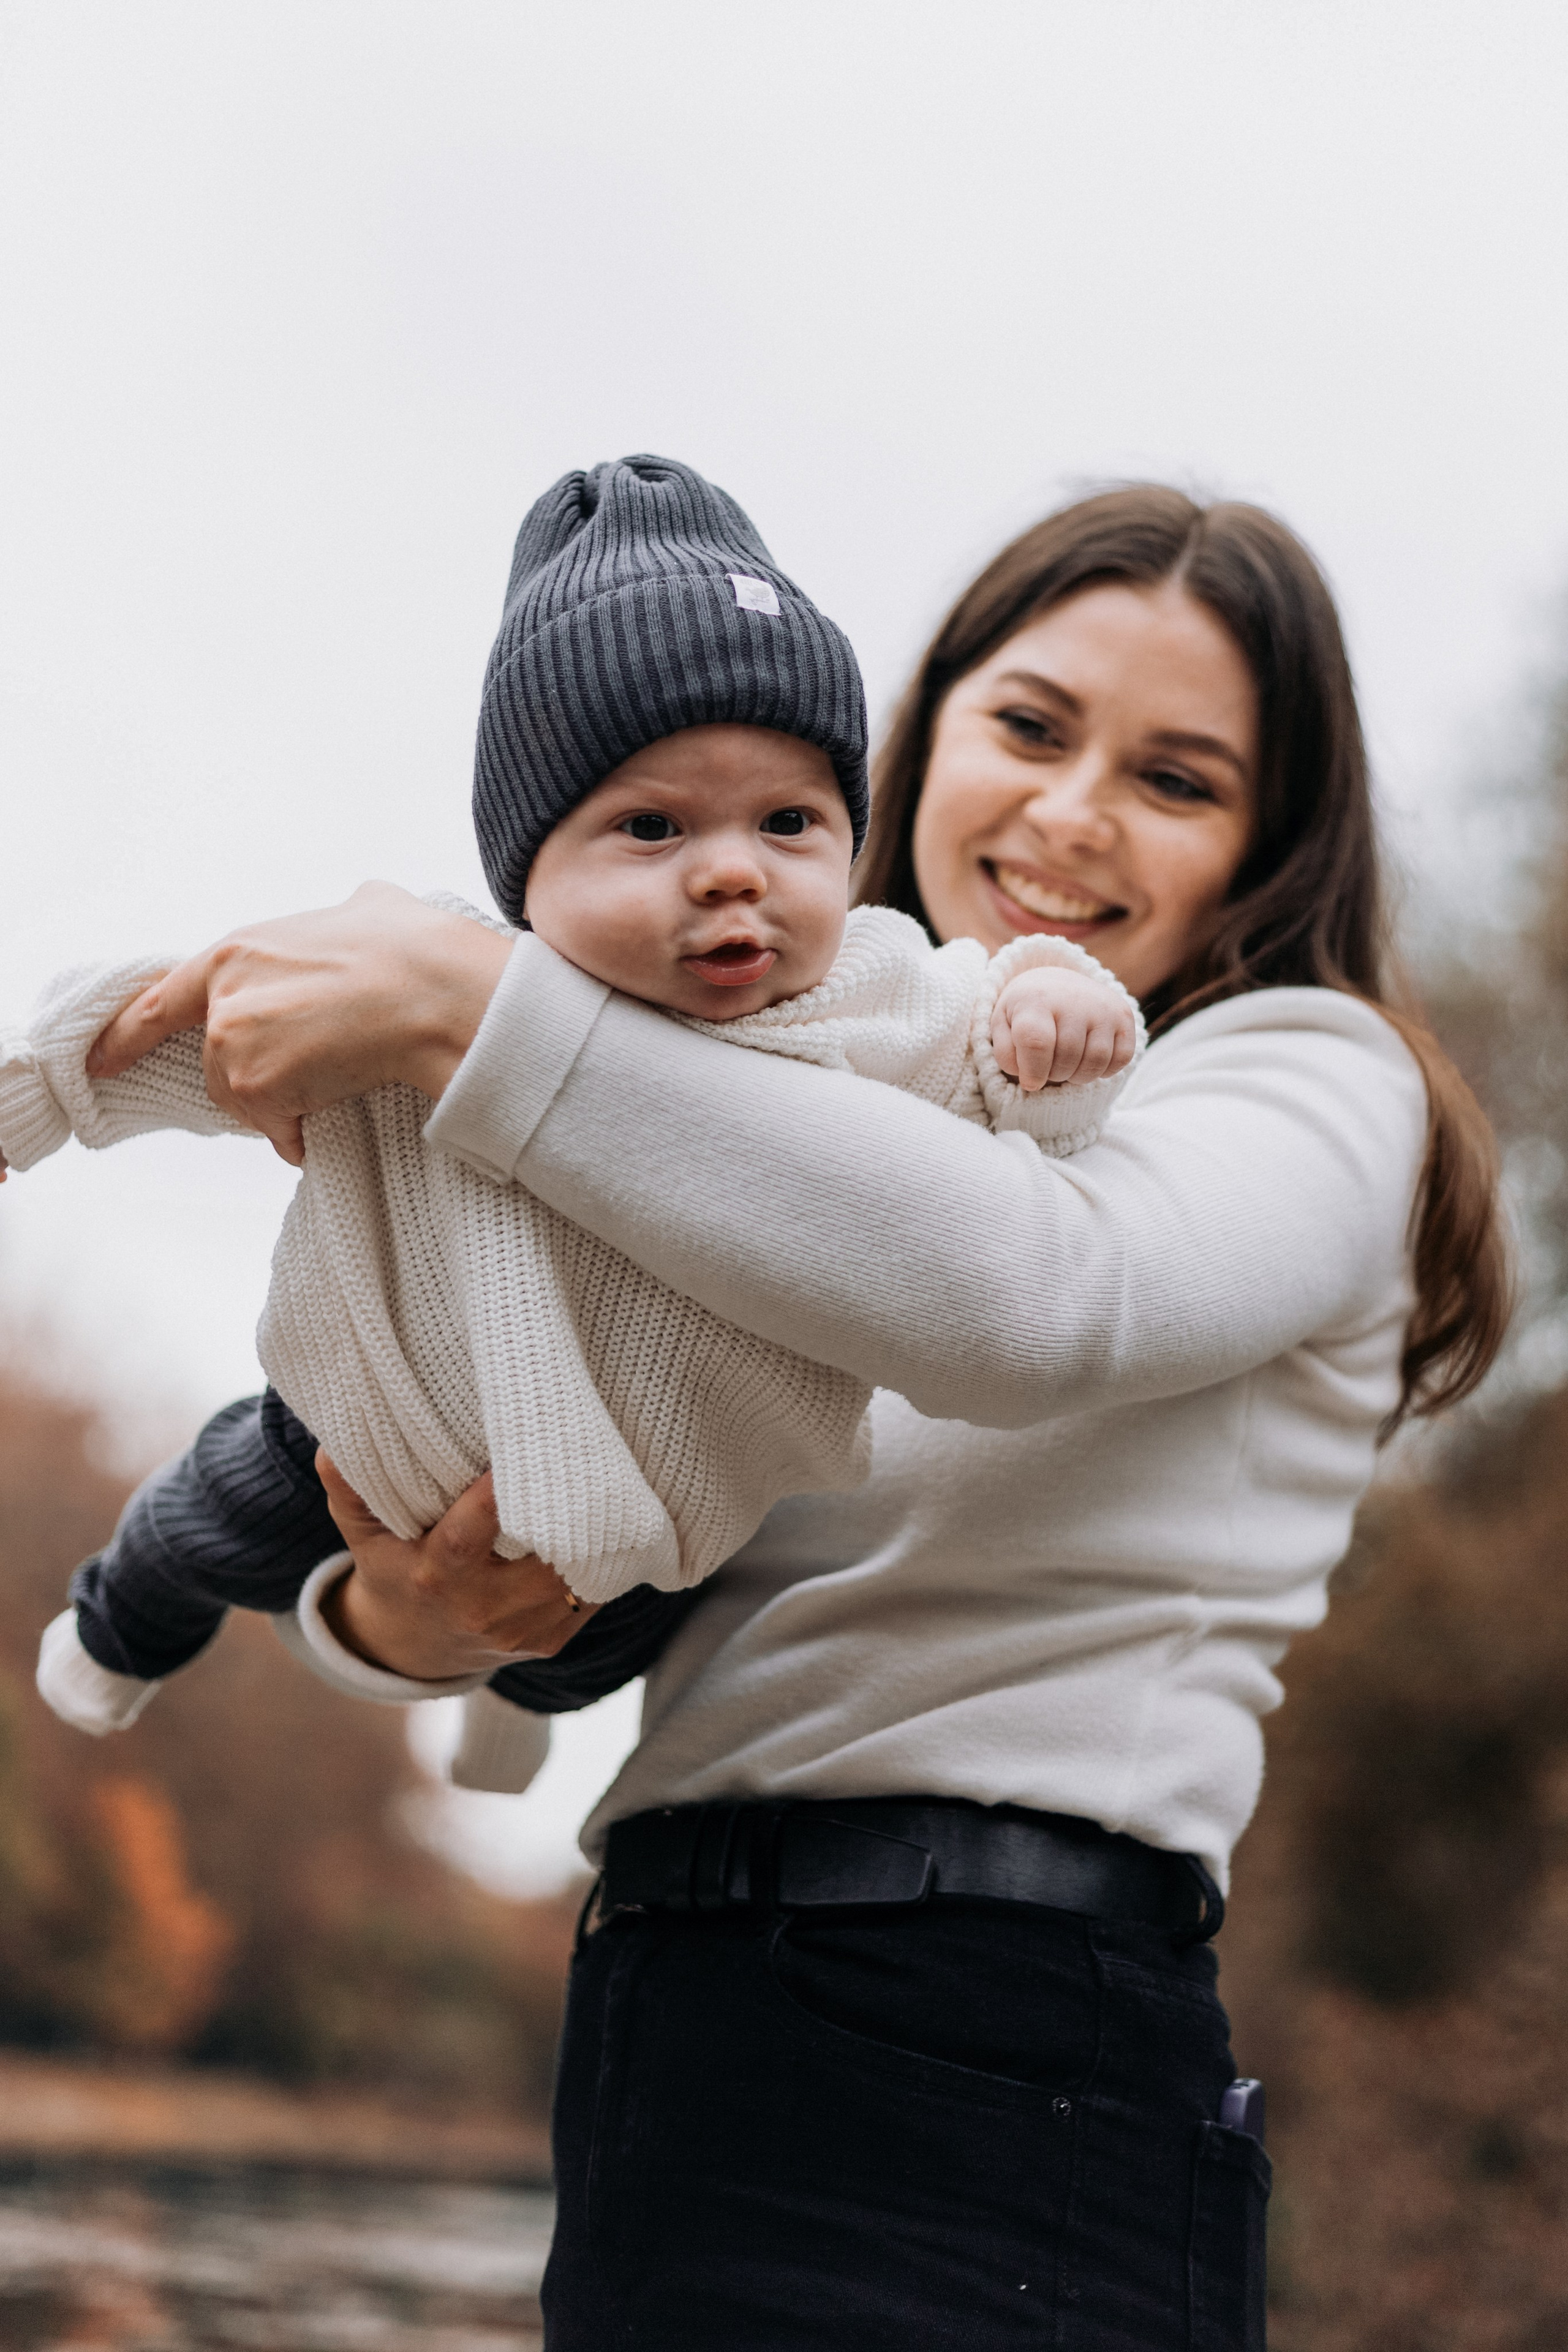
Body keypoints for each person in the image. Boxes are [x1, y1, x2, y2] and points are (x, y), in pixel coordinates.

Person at [80, 485, 1510, 2348]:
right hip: (669, 2021)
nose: (1073, 812)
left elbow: (1039, 1298)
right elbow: (553, 1507)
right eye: (1030, 726)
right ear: (923, 734)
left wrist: (465, 1003)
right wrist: (410, 1623)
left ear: (1265, 843)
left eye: (1177, 779)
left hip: (1003, 2028)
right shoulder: (773, 1085)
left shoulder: (1307, 1077)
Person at [3, 454, 1137, 1764]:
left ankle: (502, 1732)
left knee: (558, 1679)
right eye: (651, 828)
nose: (730, 873)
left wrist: (1062, 1022)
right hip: (358, 1415)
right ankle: (111, 1632)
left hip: (648, 1532)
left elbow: (1017, 1109)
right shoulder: (417, 986)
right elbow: (179, 1031)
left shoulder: (884, 1007)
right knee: (200, 1529)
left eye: (786, 821)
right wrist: (26, 1100)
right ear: (525, 875)